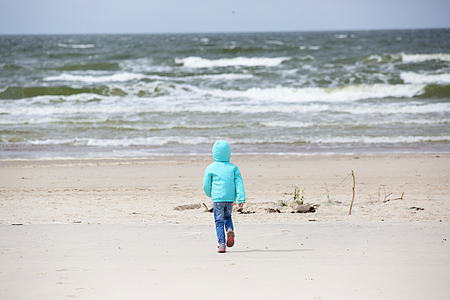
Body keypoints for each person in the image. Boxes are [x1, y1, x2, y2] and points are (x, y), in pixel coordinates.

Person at [203, 140, 246, 253]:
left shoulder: (211, 167)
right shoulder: (233, 167)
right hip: (230, 198)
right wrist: (241, 198)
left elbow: (206, 184)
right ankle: (230, 229)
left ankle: (222, 244)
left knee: (219, 221)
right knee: (228, 216)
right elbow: (239, 183)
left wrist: (210, 194)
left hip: (218, 198)